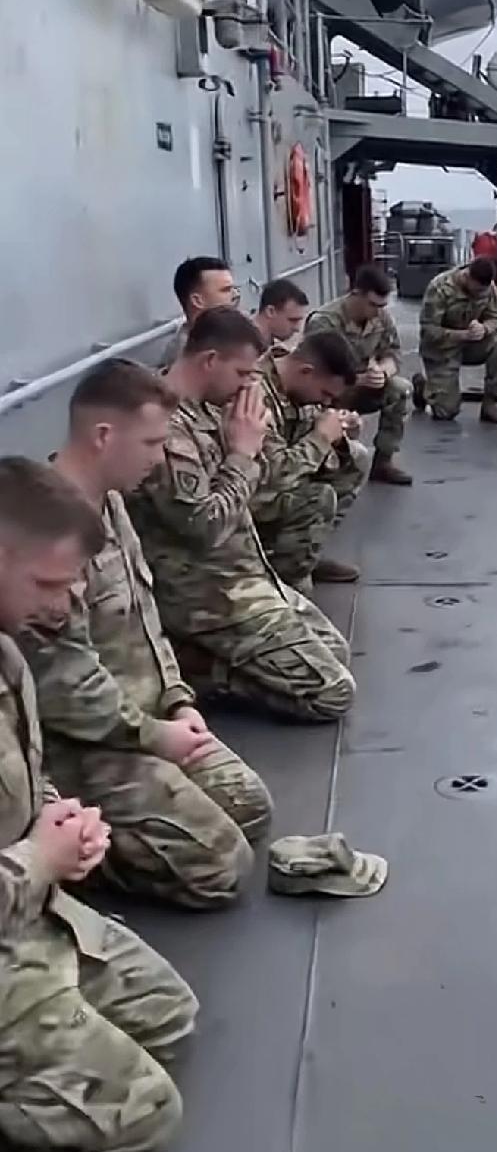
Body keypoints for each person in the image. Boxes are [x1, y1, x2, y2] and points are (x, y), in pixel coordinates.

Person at [0, 456, 197, 1152]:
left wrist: (57, 815)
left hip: (20, 907)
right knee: (140, 1121)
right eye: (48, 584)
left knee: (168, 1014)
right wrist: (38, 861)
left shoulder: (7, 654)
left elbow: (21, 775)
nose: (63, 605)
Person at [19, 360, 272, 911]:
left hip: (147, 716)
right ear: (104, 436)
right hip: (84, 743)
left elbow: (146, 614)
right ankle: (73, 857)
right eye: (152, 443)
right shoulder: (47, 543)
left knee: (251, 806)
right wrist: (155, 736)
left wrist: (178, 700)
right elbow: (67, 689)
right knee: (221, 869)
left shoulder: (111, 503)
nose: (160, 458)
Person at [127, 308, 355, 722]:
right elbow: (203, 527)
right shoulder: (167, 430)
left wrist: (253, 445)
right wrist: (242, 453)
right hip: (205, 593)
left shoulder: (213, 407)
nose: (251, 383)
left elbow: (261, 483)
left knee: (337, 652)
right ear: (210, 361)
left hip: (243, 568)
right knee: (333, 693)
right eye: (242, 373)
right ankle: (201, 667)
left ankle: (220, 657)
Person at [254, 329, 370, 590]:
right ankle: (284, 580)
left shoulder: (297, 387)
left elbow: (306, 433)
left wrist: (338, 431)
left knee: (356, 458)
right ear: (306, 371)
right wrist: (322, 437)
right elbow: (274, 476)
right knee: (318, 498)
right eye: (325, 393)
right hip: (252, 491)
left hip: (284, 475)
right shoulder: (256, 396)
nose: (326, 401)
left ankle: (305, 551)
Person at [306, 265, 413, 486]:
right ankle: (322, 466)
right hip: (328, 393)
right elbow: (316, 371)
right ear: (356, 294)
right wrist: (356, 379)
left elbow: (393, 352)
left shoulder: (381, 317)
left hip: (363, 386)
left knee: (399, 389)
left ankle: (383, 461)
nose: (378, 311)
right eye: (373, 304)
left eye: (382, 306)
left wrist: (383, 372)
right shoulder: (325, 321)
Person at [412, 257, 497, 422]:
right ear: (466, 276)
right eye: (477, 290)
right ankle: (423, 388)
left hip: (472, 345)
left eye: (482, 291)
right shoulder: (440, 288)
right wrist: (462, 335)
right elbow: (429, 330)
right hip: (442, 349)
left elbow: (494, 318)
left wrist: (484, 328)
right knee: (446, 412)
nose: (479, 294)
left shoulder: (488, 288)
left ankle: (490, 402)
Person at [163, 255, 239, 363]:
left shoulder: (225, 337)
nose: (235, 295)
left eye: (234, 289)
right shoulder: (187, 356)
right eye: (226, 290)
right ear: (197, 301)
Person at [254, 277, 310, 350]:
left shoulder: (255, 344)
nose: (297, 328)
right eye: (292, 320)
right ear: (270, 311)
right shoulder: (245, 344)